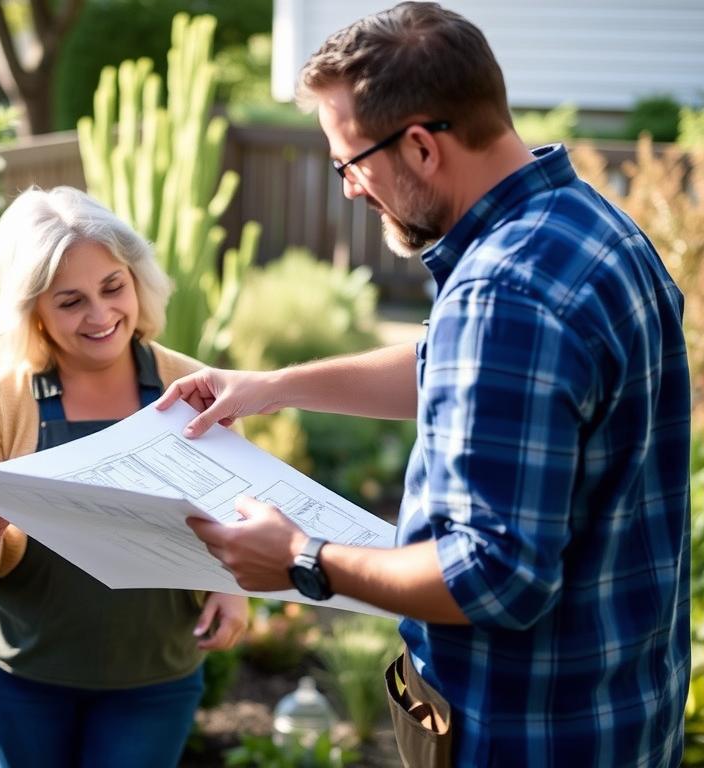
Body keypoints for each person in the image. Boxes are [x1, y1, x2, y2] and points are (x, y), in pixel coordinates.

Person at [157, 3, 691, 766]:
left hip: (527, 733)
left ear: (419, 146)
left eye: (350, 164)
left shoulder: (505, 294)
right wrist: (270, 386)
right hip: (620, 704)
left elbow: (496, 577)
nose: (348, 189)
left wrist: (304, 557)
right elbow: (465, 371)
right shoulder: (586, 226)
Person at [0, 185, 248, 768]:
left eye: (113, 287)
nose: (102, 316)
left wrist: (232, 591)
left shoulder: (194, 386)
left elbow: (241, 506)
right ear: (33, 313)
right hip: (21, 674)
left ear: (137, 280)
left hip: (154, 675)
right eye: (71, 301)